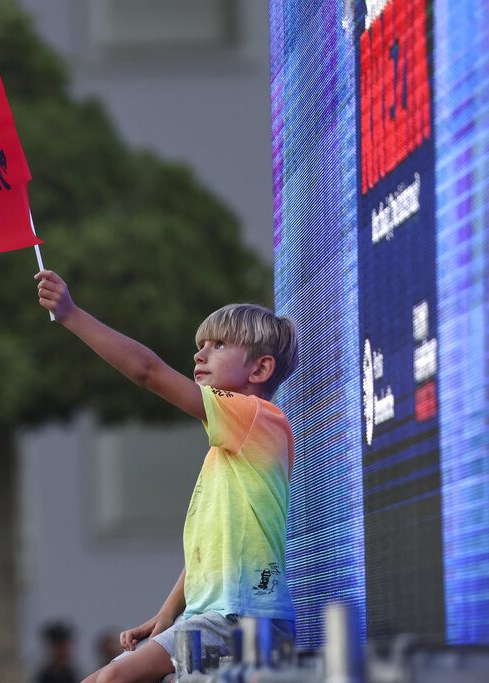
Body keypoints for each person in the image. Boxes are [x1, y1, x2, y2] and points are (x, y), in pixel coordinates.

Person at [34, 270, 299, 683]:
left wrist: (71, 315)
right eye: (201, 346)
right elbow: (207, 553)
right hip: (218, 617)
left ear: (261, 368)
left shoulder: (254, 417)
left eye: (219, 345)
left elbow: (147, 370)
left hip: (243, 617)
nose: (199, 355)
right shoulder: (229, 449)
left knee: (108, 680)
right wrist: (167, 612)